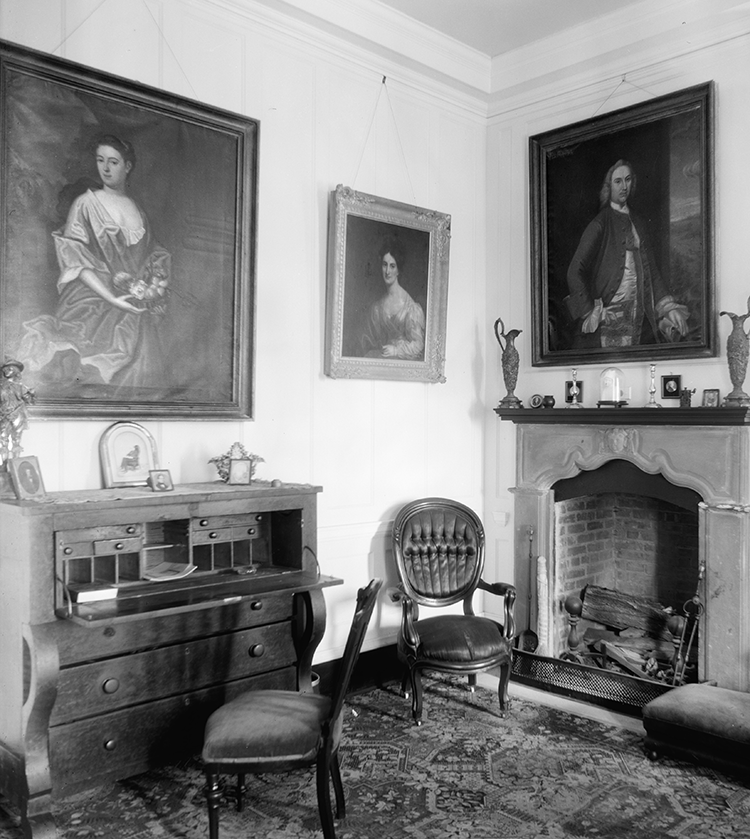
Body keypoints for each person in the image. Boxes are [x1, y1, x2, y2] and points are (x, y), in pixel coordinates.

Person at [16, 134, 171, 391]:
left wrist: (154, 285)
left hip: (130, 301)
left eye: (113, 162)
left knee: (143, 371)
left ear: (128, 166)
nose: (106, 168)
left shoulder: (138, 209)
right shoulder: (86, 204)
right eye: (101, 161)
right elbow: (75, 260)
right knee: (84, 375)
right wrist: (111, 298)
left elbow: (153, 257)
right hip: (90, 300)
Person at [565, 159, 689, 349]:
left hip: (639, 316)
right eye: (618, 181)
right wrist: (590, 311)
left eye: (628, 180)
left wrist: (667, 309)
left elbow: (652, 272)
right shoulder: (600, 223)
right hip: (610, 317)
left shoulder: (638, 221)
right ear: (609, 186)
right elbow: (575, 270)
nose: (624, 186)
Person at [361, 240, 425, 360]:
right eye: (384, 265)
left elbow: (418, 345)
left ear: (398, 270)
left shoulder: (411, 307)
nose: (387, 271)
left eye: (392, 266)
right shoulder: (377, 307)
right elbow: (371, 341)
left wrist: (396, 350)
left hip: (403, 364)